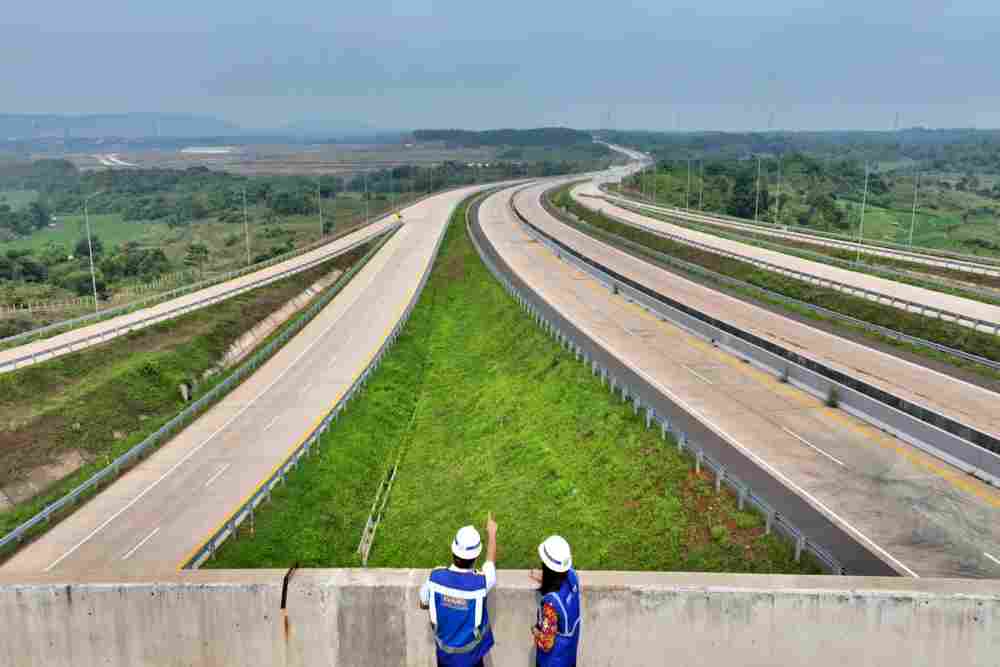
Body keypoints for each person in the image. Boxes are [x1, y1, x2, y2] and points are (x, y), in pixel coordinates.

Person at [420, 513, 499, 667]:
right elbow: (490, 562)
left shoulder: (435, 578)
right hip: (472, 659)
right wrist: (492, 533)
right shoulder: (482, 582)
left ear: (453, 551)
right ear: (476, 557)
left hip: (445, 658)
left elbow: (423, 603)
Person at [531, 535, 581, 667]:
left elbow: (546, 643)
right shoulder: (573, 576)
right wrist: (545, 579)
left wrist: (535, 631)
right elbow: (561, 583)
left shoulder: (551, 605)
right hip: (569, 656)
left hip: (553, 662)